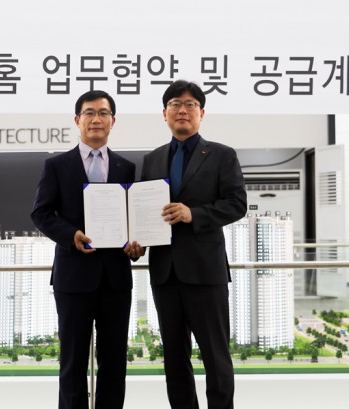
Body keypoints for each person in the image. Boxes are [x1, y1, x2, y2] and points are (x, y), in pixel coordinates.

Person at [31, 90, 144, 409]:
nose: (96, 119)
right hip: (73, 278)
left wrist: (137, 245)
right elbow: (40, 213)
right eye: (89, 113)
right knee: (72, 363)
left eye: (103, 113)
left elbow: (132, 219)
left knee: (115, 364)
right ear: (77, 119)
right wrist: (71, 235)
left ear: (113, 121)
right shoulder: (56, 165)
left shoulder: (126, 167)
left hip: (115, 280)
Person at [141, 80, 247, 409]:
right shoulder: (152, 159)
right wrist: (137, 240)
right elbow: (144, 211)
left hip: (205, 272)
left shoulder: (222, 155)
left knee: (215, 355)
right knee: (174, 358)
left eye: (190, 104)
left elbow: (237, 204)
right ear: (164, 113)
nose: (182, 110)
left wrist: (194, 214)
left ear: (201, 113)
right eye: (175, 104)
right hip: (164, 272)